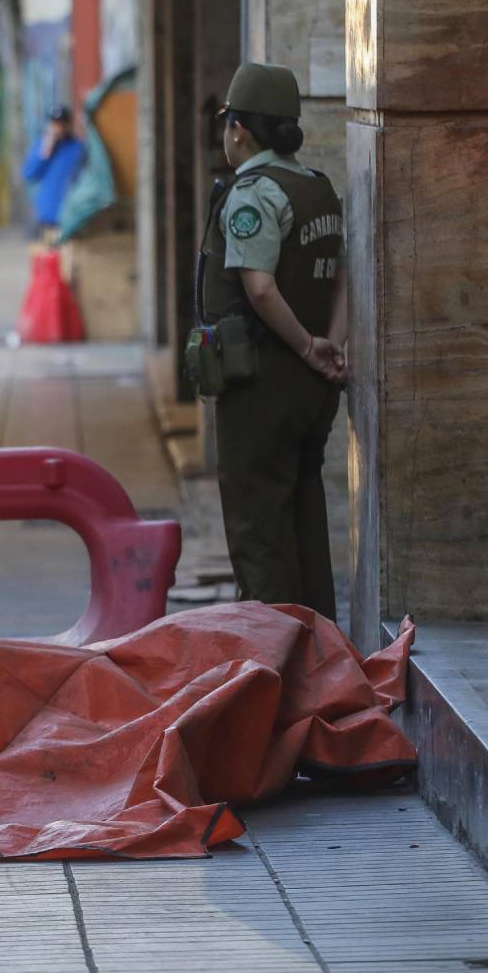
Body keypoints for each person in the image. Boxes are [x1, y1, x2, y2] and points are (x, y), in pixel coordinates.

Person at [201, 62, 348, 619]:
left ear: (238, 129)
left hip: (261, 384)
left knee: (258, 532)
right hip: (312, 391)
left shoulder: (253, 194)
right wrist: (330, 346)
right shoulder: (318, 189)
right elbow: (343, 279)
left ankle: (276, 677)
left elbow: (259, 289)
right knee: (305, 526)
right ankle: (319, 662)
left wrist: (310, 346)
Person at [22, 105, 85, 242]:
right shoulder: (42, 146)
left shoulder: (78, 148)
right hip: (46, 215)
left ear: (69, 125)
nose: (59, 128)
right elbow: (29, 174)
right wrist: (44, 154)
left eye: (62, 124)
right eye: (56, 124)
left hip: (70, 215)